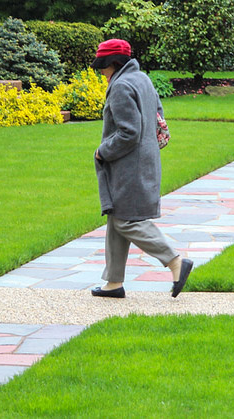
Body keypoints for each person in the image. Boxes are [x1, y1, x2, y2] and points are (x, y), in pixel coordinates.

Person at [90, 38, 192, 298]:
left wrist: (103, 151)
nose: (100, 71)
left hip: (129, 167)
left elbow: (129, 132)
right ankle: (113, 283)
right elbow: (158, 119)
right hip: (145, 161)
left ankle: (174, 261)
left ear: (113, 63)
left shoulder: (121, 86)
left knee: (126, 221)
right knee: (117, 217)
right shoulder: (142, 79)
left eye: (102, 65)